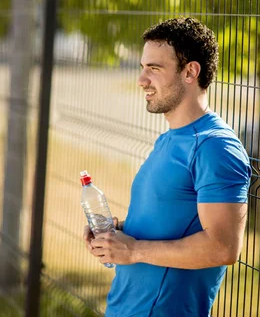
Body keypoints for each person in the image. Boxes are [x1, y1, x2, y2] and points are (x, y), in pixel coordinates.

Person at [83, 17, 251, 317]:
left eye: (154, 69)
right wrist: (114, 233)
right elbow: (169, 219)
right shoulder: (170, 139)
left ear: (191, 71)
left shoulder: (216, 147)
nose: (142, 80)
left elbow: (223, 248)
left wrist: (133, 250)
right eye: (142, 68)